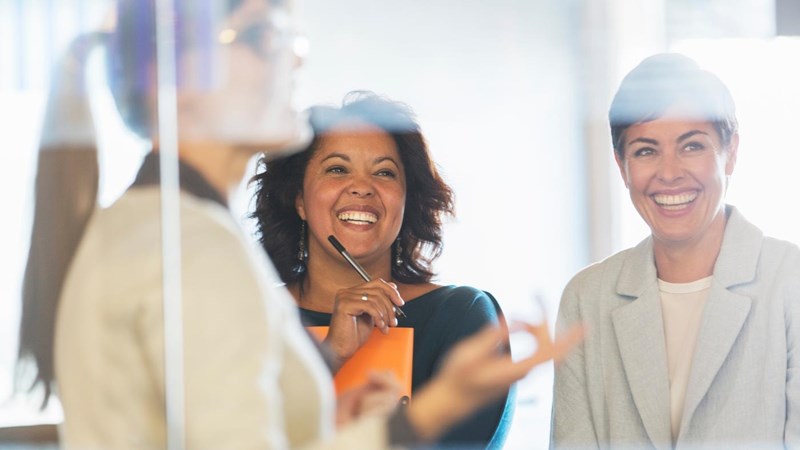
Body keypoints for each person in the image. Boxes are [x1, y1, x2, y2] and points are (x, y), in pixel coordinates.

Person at [16, 0, 583, 449]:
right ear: (181, 76)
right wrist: (436, 407)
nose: (294, 60)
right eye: (263, 38)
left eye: (290, 40)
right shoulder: (194, 250)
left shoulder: (153, 230)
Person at [551, 53, 800, 449]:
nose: (669, 173)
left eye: (692, 146)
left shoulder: (789, 281)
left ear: (730, 152)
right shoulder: (587, 297)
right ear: (621, 164)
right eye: (646, 151)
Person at [251, 91, 515, 449]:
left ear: (408, 200)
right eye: (337, 169)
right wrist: (330, 357)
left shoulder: (460, 316)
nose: (362, 187)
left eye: (385, 172)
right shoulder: (253, 316)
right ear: (299, 199)